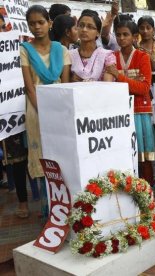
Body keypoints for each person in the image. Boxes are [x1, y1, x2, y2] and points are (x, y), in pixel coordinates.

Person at [21, 5, 71, 219]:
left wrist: (57, 111)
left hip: (60, 109)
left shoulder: (62, 50)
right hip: (36, 109)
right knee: (43, 157)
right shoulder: (25, 49)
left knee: (62, 156)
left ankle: (67, 206)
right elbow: (29, 86)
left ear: (49, 23)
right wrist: (44, 111)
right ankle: (48, 210)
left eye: (40, 22)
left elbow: (66, 84)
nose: (36, 27)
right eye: (32, 23)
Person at [105, 20, 155, 181]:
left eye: (125, 34)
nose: (121, 38)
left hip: (140, 111)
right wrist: (133, 82)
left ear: (135, 37)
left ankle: (147, 190)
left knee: (143, 156)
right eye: (118, 34)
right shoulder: (111, 57)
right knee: (123, 153)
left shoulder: (142, 57)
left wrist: (118, 76)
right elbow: (109, 87)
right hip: (119, 112)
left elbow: (143, 89)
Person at [69, 11, 115, 82]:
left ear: (98, 33)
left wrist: (83, 82)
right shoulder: (69, 55)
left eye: (90, 27)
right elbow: (64, 84)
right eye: (81, 25)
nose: (84, 30)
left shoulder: (107, 56)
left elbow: (107, 86)